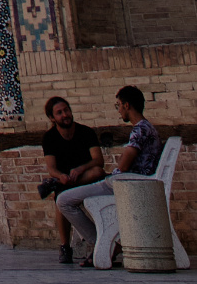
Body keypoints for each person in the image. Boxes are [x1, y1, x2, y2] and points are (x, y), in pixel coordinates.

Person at [56, 86, 163, 266]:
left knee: (64, 200)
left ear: (127, 105)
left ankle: (104, 245)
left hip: (126, 185)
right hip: (133, 183)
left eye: (119, 105)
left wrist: (112, 175)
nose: (119, 110)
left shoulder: (139, 130)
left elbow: (124, 164)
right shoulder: (148, 128)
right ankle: (106, 245)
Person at [39, 96, 104, 264]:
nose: (65, 115)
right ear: (52, 118)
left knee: (96, 172)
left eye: (66, 110)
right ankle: (65, 246)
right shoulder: (50, 138)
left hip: (85, 178)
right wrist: (61, 176)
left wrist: (81, 169)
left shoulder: (86, 132)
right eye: (59, 113)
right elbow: (51, 168)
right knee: (61, 196)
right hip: (65, 181)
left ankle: (100, 242)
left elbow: (98, 160)